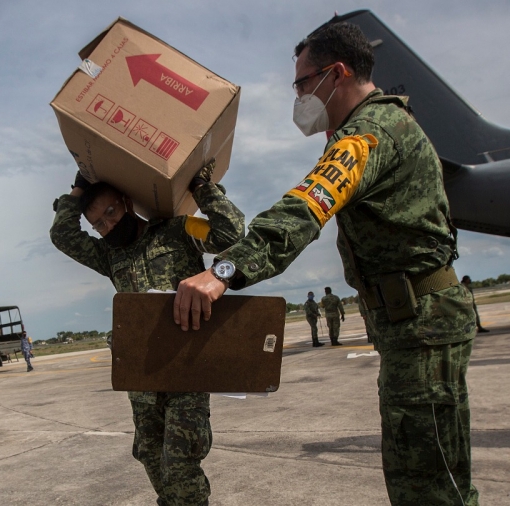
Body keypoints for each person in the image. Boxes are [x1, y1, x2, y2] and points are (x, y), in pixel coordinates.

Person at [172, 21, 478, 505]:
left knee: (430, 488)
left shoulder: (369, 133)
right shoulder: (378, 127)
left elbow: (307, 206)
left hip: (421, 325)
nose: (297, 96)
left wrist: (222, 272)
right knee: (422, 478)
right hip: (414, 323)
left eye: (301, 82)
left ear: (335, 73)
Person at [50, 162, 245, 506]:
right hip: (141, 379)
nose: (108, 224)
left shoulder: (179, 229)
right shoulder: (109, 256)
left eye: (111, 211)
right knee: (153, 461)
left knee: (180, 463)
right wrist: (76, 191)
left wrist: (201, 185)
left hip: (186, 371)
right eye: (99, 223)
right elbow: (62, 235)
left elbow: (232, 233)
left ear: (126, 200)